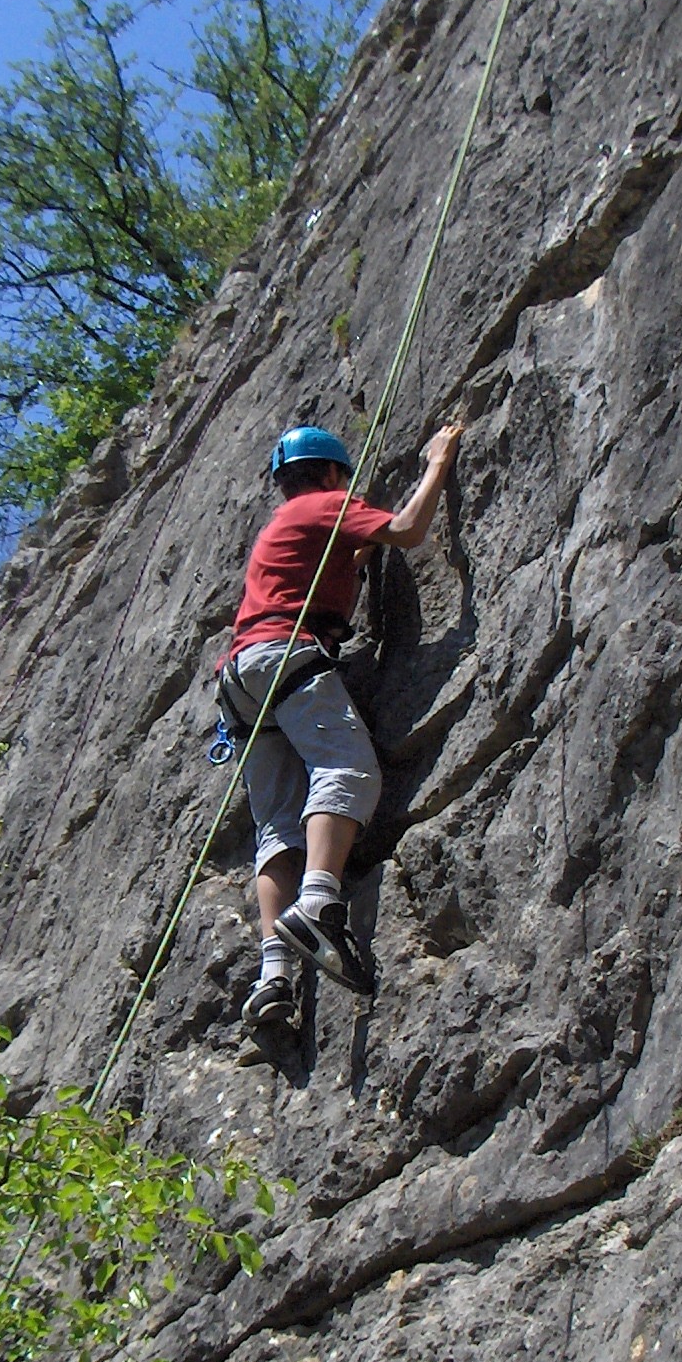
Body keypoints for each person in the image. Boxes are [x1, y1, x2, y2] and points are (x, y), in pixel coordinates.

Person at [220, 419, 463, 1033]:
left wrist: (360, 551)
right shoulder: (326, 504)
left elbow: (344, 560)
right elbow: (407, 530)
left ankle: (273, 976)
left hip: (243, 682)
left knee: (277, 826)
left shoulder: (285, 525)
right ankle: (320, 901)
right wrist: (437, 461)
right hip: (285, 658)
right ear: (332, 474)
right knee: (348, 769)